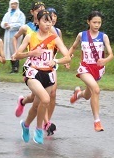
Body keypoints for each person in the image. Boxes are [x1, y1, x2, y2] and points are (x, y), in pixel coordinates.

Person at [13, 10, 71, 144]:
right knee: (45, 99)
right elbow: (17, 55)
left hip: (48, 74)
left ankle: (25, 125)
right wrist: (32, 53)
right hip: (33, 72)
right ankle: (39, 129)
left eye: (50, 21)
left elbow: (67, 57)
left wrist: (56, 61)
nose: (48, 24)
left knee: (36, 105)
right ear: (37, 22)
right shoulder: (30, 36)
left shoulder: (54, 38)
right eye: (45, 21)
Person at [67, 10, 114, 132]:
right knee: (96, 90)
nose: (97, 25)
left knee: (88, 95)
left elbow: (111, 54)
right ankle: (97, 121)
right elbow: (73, 47)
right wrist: (67, 58)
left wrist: (105, 60)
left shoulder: (104, 36)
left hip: (97, 69)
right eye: (94, 22)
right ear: (88, 22)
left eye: (99, 22)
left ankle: (78, 94)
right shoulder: (81, 35)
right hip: (85, 68)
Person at [0, 0, 25, 74]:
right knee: (10, 51)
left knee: (16, 50)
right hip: (8, 35)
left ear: (17, 5)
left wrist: (11, 26)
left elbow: (21, 24)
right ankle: (13, 67)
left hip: (16, 34)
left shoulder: (20, 14)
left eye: (15, 4)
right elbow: (2, 22)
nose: (13, 5)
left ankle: (16, 68)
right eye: (12, 4)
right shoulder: (7, 14)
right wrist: (5, 25)